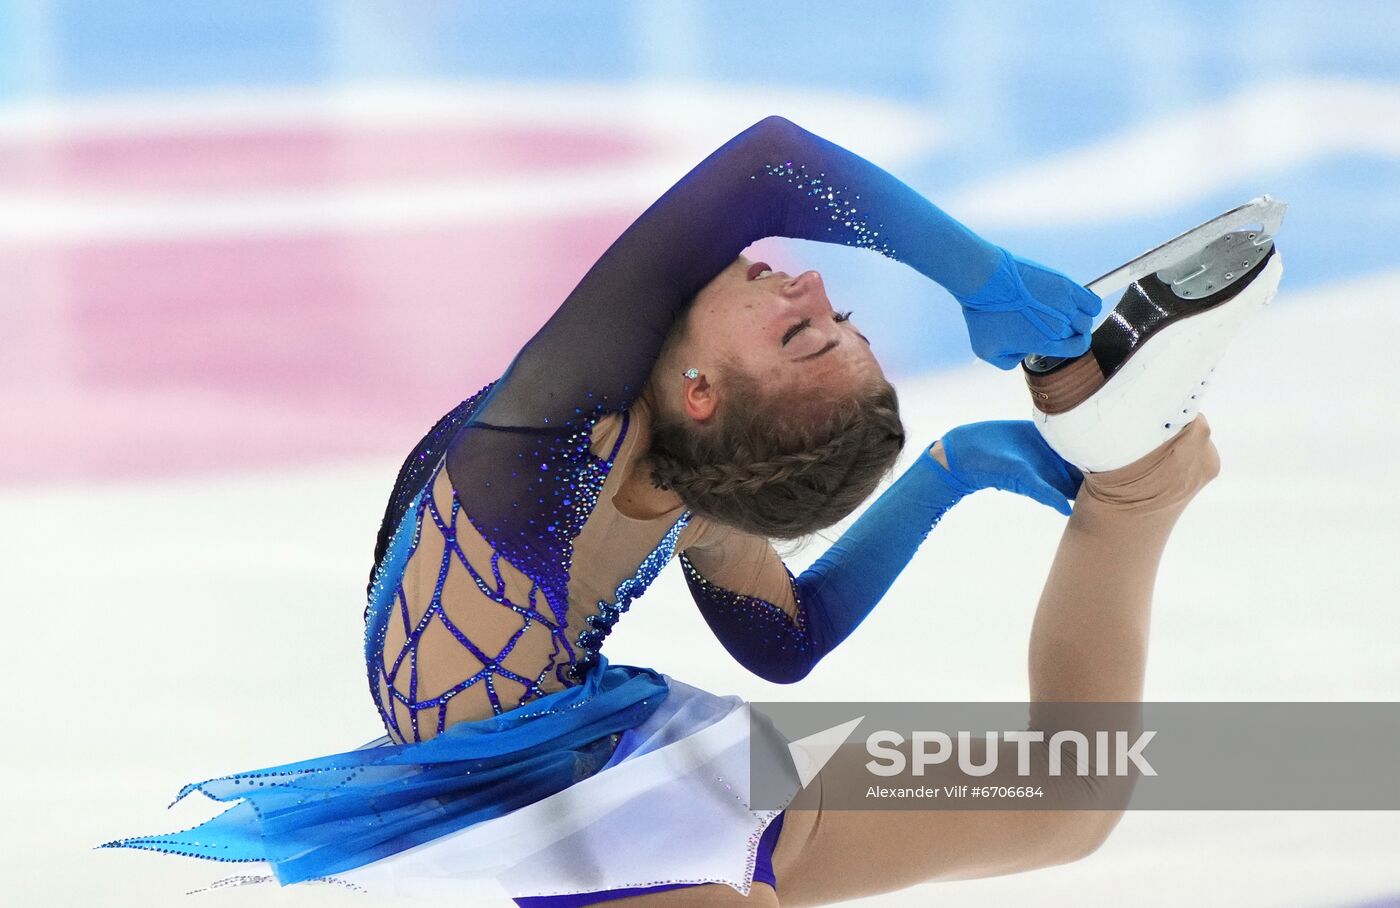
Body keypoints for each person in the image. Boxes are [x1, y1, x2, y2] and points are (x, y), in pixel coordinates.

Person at [98, 115, 1280, 906]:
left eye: (805, 330)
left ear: (705, 394)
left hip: (570, 773)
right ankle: (1137, 474)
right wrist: (976, 323)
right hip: (543, 777)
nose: (810, 282)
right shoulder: (632, 448)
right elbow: (779, 637)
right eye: (834, 320)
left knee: (1065, 807)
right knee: (1059, 808)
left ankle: (1135, 494)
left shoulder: (609, 448)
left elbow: (780, 631)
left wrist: (960, 444)